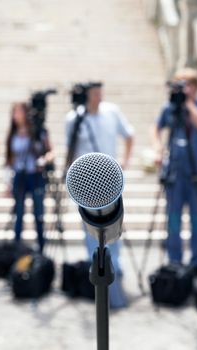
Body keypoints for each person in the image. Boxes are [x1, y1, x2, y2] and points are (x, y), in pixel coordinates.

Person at [65, 83, 134, 309]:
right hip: (86, 188)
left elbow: (129, 134)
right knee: (92, 237)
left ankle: (114, 277)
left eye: (100, 93)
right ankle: (100, 283)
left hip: (111, 182)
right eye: (95, 93)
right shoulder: (73, 118)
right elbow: (70, 149)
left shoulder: (111, 111)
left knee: (113, 231)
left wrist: (124, 162)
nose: (99, 97)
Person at [152, 68, 197, 279]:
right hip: (175, 173)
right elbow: (156, 127)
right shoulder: (169, 107)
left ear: (195, 87)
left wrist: (188, 103)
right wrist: (158, 147)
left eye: (186, 85)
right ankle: (174, 261)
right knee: (173, 220)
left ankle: (196, 263)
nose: (182, 90)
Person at [5, 102, 54, 253]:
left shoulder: (38, 132)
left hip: (36, 175)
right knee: (18, 214)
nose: (17, 116)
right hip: (19, 176)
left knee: (38, 213)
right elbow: (9, 160)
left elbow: (50, 151)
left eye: (20, 112)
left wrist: (44, 160)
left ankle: (41, 248)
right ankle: (16, 248)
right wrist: (7, 182)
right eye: (15, 113)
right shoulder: (13, 134)